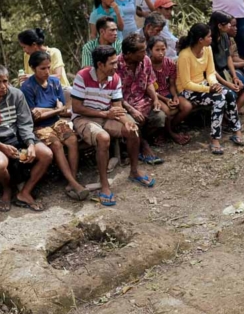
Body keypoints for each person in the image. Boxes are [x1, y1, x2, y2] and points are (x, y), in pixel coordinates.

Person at [71, 46, 155, 206]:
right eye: (112, 63)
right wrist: (105, 114)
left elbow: (117, 108)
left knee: (133, 129)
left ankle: (134, 171)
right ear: (100, 64)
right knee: (103, 138)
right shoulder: (82, 76)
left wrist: (127, 123)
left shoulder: (115, 78)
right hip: (84, 118)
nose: (116, 66)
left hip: (107, 115)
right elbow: (76, 108)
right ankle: (104, 185)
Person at [0, 63, 54, 212]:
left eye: (5, 81)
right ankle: (7, 190)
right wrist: (0, 146)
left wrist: (30, 143)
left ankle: (25, 192)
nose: (3, 86)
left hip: (17, 136)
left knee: (46, 154)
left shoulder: (16, 94)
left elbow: (25, 123)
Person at [21, 51, 89, 203]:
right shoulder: (27, 87)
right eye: (42, 69)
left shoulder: (54, 82)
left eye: (48, 68)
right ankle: (73, 183)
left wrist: (48, 110)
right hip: (39, 126)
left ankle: (72, 180)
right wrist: (56, 109)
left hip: (56, 121)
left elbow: (63, 107)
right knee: (56, 144)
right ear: (33, 68)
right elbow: (35, 116)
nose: (46, 72)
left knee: (71, 140)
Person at [176, 23, 244, 155]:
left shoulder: (207, 49)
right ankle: (215, 139)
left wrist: (214, 84)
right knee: (219, 100)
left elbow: (210, 73)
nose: (211, 38)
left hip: (204, 85)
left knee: (229, 94)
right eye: (208, 36)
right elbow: (186, 83)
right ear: (200, 40)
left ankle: (237, 130)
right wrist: (209, 90)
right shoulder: (185, 55)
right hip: (188, 90)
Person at [116, 33, 166, 165]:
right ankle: (143, 146)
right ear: (128, 54)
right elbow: (114, 95)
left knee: (160, 117)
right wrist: (131, 110)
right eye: (142, 50)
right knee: (133, 125)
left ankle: (139, 142)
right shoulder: (116, 66)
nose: (145, 52)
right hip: (124, 106)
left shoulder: (145, 61)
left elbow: (148, 81)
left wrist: (155, 98)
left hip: (143, 101)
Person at [147, 36, 192, 145]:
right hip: (153, 95)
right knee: (166, 111)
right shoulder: (147, 64)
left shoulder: (170, 63)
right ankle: (170, 133)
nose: (161, 53)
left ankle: (167, 130)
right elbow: (148, 88)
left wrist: (175, 97)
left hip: (167, 93)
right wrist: (166, 100)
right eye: (157, 50)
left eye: (163, 49)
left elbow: (171, 84)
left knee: (187, 106)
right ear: (150, 50)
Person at [209, 11, 244, 112]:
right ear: (220, 26)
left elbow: (229, 57)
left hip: (226, 71)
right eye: (228, 23)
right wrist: (228, 83)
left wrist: (235, 77)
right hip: (215, 75)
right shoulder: (209, 43)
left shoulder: (225, 36)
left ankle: (233, 112)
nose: (230, 25)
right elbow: (211, 70)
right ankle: (230, 114)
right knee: (232, 93)